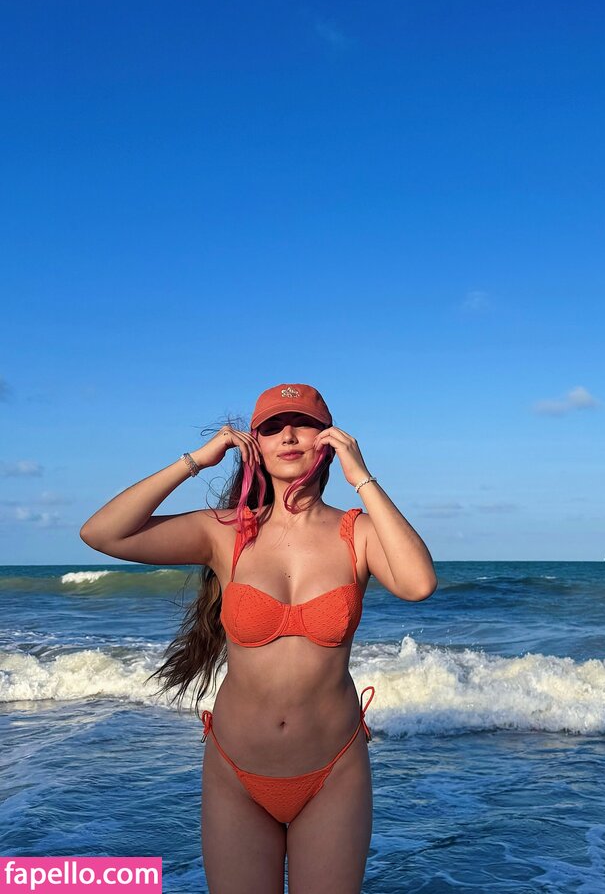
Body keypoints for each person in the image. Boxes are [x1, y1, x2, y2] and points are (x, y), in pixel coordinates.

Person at [80, 383, 438, 894]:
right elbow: (102, 533)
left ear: (330, 440)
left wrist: (362, 477)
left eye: (303, 424)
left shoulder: (356, 532)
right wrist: (195, 461)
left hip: (333, 771)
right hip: (236, 772)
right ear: (255, 445)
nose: (287, 435)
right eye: (271, 428)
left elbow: (418, 584)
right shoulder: (224, 532)